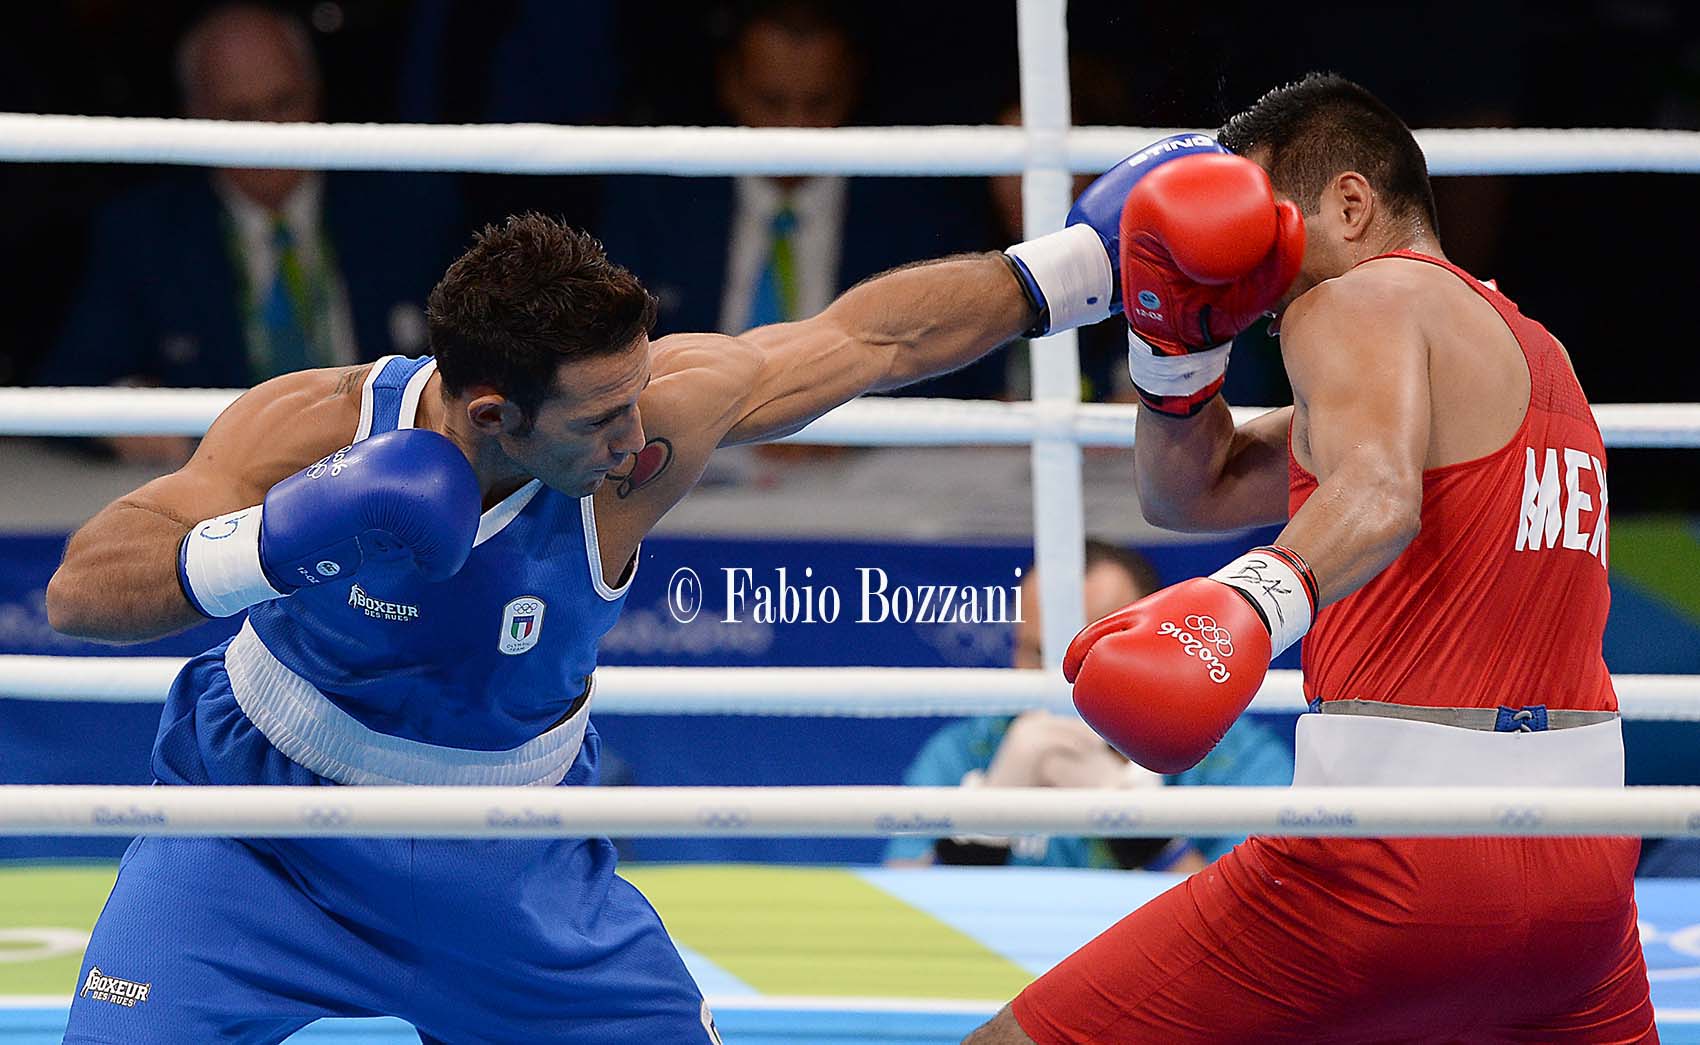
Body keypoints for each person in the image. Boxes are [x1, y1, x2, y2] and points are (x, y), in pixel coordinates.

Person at [45, 109, 1189, 1038]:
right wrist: (284, 537)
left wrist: (1079, 265)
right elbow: (83, 591)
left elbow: (868, 340)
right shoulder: (306, 427)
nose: (636, 439)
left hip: (508, 862)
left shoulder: (644, 434)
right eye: (598, 417)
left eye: (636, 395)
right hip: (250, 835)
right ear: (491, 411)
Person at [966, 74, 1653, 1044]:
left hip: (1393, 857)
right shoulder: (1535, 355)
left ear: (1348, 202)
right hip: (1581, 881)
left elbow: (1374, 495)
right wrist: (1174, 356)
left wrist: (1242, 605)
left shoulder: (1359, 298)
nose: (1242, 257)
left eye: (1258, 222)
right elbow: (1189, 493)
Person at [37, 3, 459, 464]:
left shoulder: (409, 209)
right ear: (195, 114)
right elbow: (66, 387)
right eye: (239, 114)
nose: (267, 134)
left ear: (316, 93)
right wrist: (130, 422)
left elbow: (478, 367)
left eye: (283, 104)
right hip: (220, 499)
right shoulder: (144, 234)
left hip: (390, 487)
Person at [596, 0, 1000, 397]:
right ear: (730, 83)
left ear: (851, 85)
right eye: (773, 102)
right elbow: (610, 350)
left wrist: (842, 418)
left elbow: (958, 362)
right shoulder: (660, 199)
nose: (795, 127)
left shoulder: (915, 207)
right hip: (705, 440)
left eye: (817, 102)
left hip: (865, 447)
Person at [885, 540, 1292, 872]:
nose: (1065, 680)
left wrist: (1148, 839)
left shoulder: (1235, 758)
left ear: (1158, 647)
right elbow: (898, 920)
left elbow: (1266, 936)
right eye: (1036, 654)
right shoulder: (970, 748)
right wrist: (979, 838)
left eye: (1094, 654)